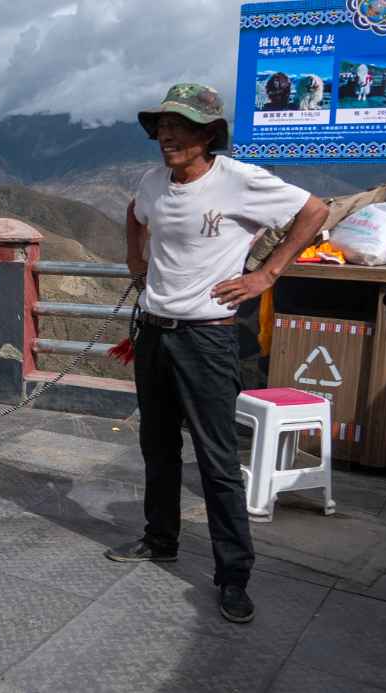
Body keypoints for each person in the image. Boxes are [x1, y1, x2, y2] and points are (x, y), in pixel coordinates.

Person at [103, 84, 329, 624]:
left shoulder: (240, 181)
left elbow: (314, 210)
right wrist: (137, 262)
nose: (167, 135)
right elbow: (136, 216)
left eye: (180, 125)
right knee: (156, 448)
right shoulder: (152, 181)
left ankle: (233, 576)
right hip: (155, 332)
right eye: (162, 125)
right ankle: (160, 539)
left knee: (217, 461)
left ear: (208, 134)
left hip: (207, 338)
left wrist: (265, 274)